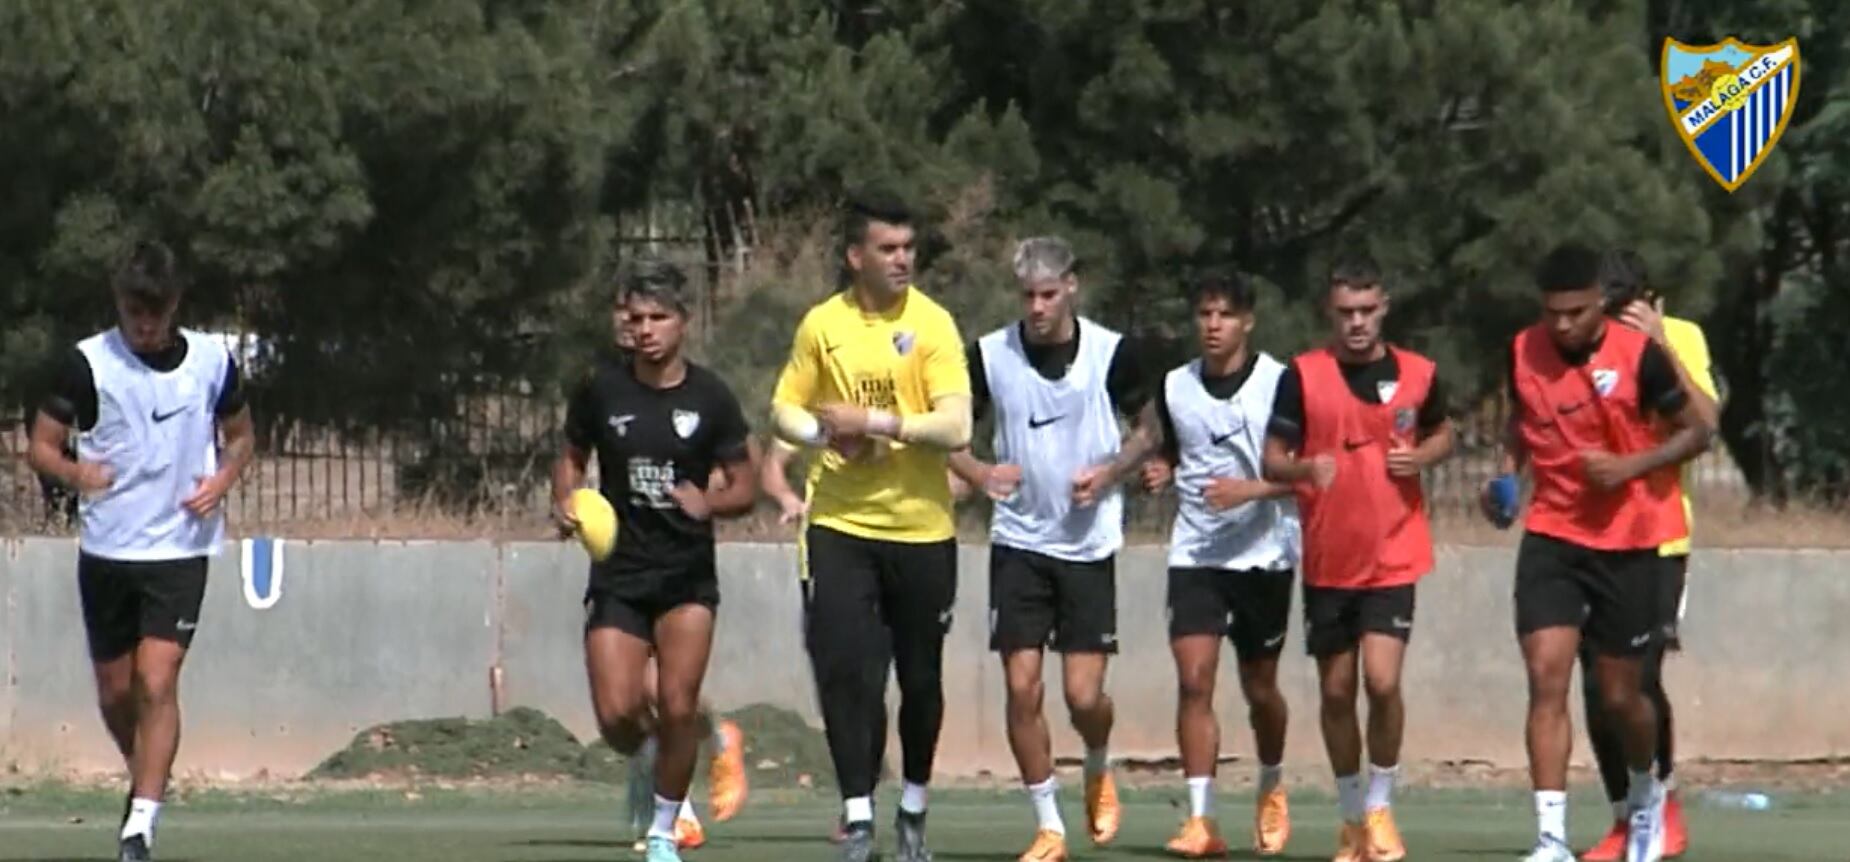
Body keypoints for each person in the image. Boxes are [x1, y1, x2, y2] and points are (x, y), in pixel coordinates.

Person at [25, 241, 256, 862]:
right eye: (134, 312)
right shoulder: (87, 364)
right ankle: (148, 778)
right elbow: (42, 447)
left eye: (155, 312)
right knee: (115, 693)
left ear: (176, 303)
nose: (145, 324)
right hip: (107, 550)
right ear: (119, 304)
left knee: (158, 681)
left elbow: (240, 438)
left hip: (180, 549)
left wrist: (222, 481)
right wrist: (78, 475)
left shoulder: (212, 361)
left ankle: (140, 826)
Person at [1485, 243, 1714, 862]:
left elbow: (1700, 431)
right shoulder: (1521, 350)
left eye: (1577, 312)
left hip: (1632, 539)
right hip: (1553, 537)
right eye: (1552, 312)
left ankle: (1648, 800)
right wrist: (1505, 475)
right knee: (1546, 678)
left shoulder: (1640, 354)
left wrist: (1630, 466)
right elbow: (1519, 420)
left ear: (1600, 306)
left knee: (1621, 695)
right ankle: (1551, 838)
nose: (1562, 325)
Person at [769, 191, 973, 862]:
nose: (902, 259)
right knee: (847, 674)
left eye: (909, 248)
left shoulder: (934, 325)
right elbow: (783, 409)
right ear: (855, 256)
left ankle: (912, 809)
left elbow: (956, 426)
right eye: (887, 248)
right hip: (839, 525)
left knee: (918, 680)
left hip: (920, 531)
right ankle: (858, 819)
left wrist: (879, 425)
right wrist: (825, 433)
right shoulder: (822, 325)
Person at [551, 258, 759, 862]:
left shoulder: (711, 397)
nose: (645, 329)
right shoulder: (601, 387)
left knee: (675, 705)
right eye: (635, 317)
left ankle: (667, 831)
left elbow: (745, 486)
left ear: (683, 323)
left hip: (686, 576)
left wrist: (711, 501)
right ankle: (700, 747)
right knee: (618, 716)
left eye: (658, 317)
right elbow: (571, 453)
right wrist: (566, 500)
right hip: (620, 570)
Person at [945, 237, 1145, 862]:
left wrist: (1111, 471)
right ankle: (1049, 826)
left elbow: (1151, 429)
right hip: (1019, 543)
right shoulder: (988, 355)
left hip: (1086, 544)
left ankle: (1095, 762)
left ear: (1072, 288)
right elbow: (946, 432)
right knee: (1022, 687)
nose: (1037, 307)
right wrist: (978, 475)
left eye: (1048, 294)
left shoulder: (1112, 353)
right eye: (1027, 295)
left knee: (1083, 697)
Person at [1262, 258, 1453, 862]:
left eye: (1366, 311)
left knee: (1383, 680)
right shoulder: (1303, 375)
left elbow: (1444, 431)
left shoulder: (1420, 374)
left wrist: (1423, 455)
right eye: (1346, 312)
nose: (1357, 323)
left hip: (1395, 554)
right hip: (1328, 561)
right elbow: (1272, 457)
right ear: (1331, 312)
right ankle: (1350, 819)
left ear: (1384, 308)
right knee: (1338, 692)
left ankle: (1379, 804)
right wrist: (1300, 469)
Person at [1124, 273, 1303, 858]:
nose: (1213, 325)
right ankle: (1202, 820)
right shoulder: (1176, 386)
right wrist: (1164, 470)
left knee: (1260, 687)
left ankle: (1272, 784)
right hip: (1197, 553)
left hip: (1264, 554)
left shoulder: (1280, 383)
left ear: (1247, 320)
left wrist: (1250, 492)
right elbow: (1175, 448)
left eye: (1224, 314)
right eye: (1204, 314)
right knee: (1194, 678)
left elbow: (1307, 476)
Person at [1576, 251, 1718, 862]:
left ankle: (1664, 808)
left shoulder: (1681, 336)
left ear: (1650, 298)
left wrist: (1661, 344)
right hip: (1586, 537)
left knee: (1638, 678)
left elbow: (1706, 424)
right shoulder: (1580, 344)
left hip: (1659, 538)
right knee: (1592, 680)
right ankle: (1623, 817)